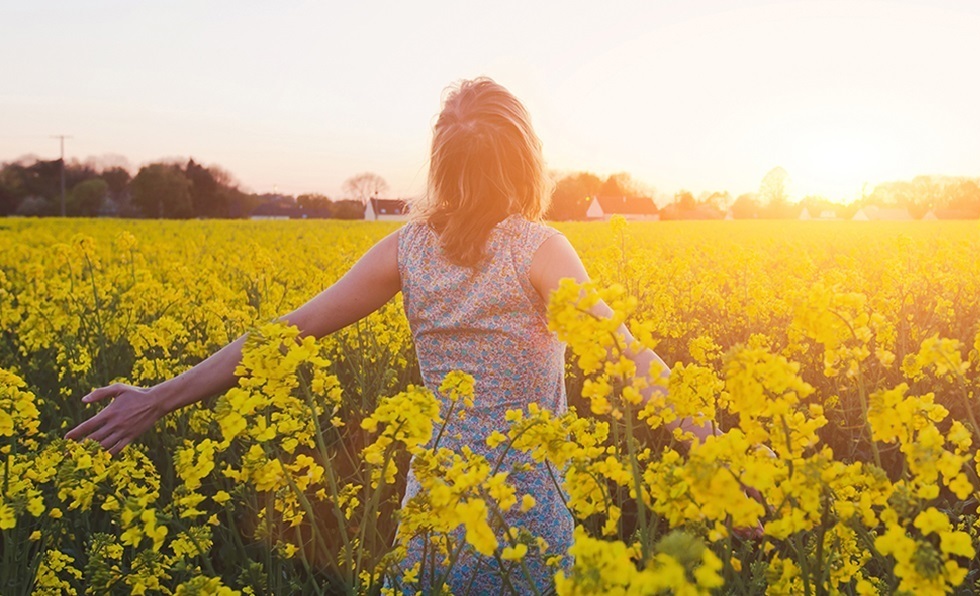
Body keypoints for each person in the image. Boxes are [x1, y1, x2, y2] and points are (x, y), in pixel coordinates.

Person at [65, 77, 716, 594]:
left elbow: (284, 334)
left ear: (441, 160)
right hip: (523, 509)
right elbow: (631, 359)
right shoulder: (540, 250)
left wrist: (159, 397)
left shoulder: (407, 250)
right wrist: (717, 454)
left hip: (434, 507)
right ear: (525, 159)